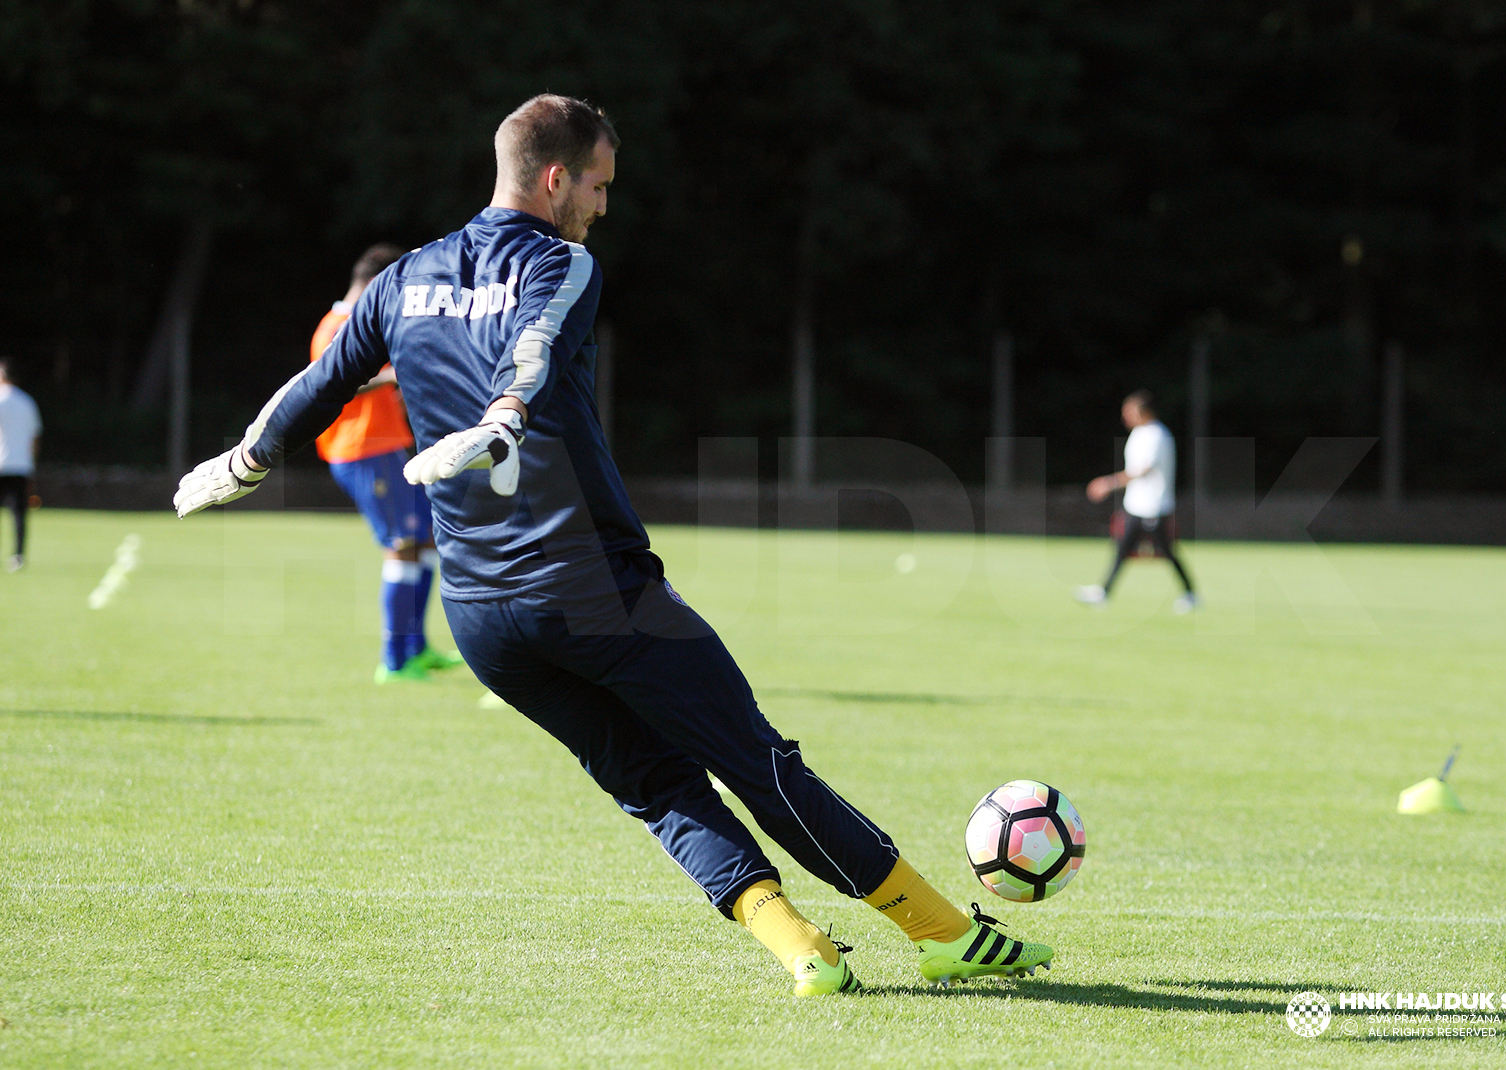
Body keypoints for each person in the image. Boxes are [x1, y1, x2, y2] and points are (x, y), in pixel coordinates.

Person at [173, 94, 1053, 996]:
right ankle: (942, 933)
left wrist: (247, 459)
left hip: (481, 620)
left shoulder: (404, 279)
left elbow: (319, 383)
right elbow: (536, 347)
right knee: (759, 760)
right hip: (595, 590)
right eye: (597, 185)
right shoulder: (564, 263)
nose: (603, 204)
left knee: (652, 782)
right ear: (556, 178)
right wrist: (506, 415)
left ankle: (802, 950)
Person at [310, 244, 464, 683]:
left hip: (387, 447)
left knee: (427, 540)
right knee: (402, 543)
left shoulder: (358, 324)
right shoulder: (337, 327)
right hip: (361, 450)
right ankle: (394, 660)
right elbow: (331, 384)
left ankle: (417, 647)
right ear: (378, 282)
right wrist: (391, 377)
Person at [1075, 390, 1198, 613]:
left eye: (1129, 412)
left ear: (1143, 411)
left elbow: (1142, 470)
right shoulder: (1140, 434)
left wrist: (1108, 483)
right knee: (1122, 549)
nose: (1125, 417)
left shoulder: (1156, 435)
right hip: (1136, 504)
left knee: (1166, 551)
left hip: (1155, 505)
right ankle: (1103, 593)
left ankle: (1190, 594)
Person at [0, 358, 41, 572]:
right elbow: (35, 437)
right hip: (20, 465)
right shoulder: (27, 402)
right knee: (18, 513)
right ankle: (18, 555)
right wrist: (31, 464)